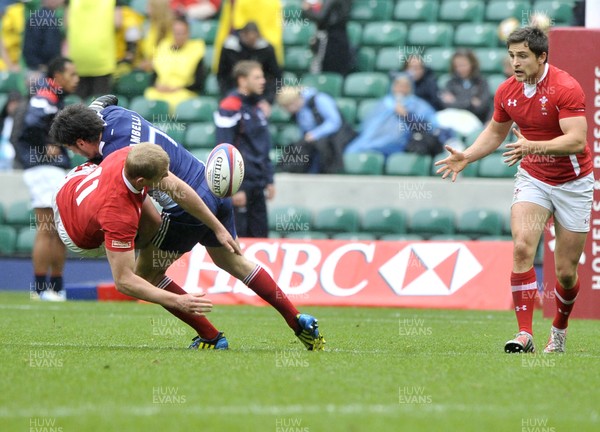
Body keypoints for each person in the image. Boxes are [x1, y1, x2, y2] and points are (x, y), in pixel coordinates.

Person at [49, 95, 325, 351]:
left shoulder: (119, 157)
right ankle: (296, 318)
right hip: (212, 186)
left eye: (74, 149)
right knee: (235, 263)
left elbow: (172, 188)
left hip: (188, 208)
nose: (78, 155)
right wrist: (216, 225)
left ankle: (211, 337)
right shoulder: (114, 114)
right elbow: (103, 104)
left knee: (146, 277)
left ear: (82, 143)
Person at [435, 27, 593, 354]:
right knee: (522, 247)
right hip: (534, 177)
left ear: (542, 56)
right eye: (511, 55)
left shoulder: (565, 87)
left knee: (565, 272)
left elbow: (577, 141)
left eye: (522, 56)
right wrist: (468, 155)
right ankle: (525, 335)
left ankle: (559, 330)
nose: (515, 62)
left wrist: (531, 145)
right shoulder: (508, 91)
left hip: (573, 183)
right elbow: (495, 132)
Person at [53, 143, 224, 333]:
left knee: (154, 224)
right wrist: (177, 300)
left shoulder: (130, 154)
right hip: (75, 234)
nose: (167, 179)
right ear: (141, 181)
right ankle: (149, 273)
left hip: (76, 183)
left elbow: (177, 188)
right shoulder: (118, 216)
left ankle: (148, 271)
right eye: (162, 176)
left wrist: (217, 226)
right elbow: (124, 282)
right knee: (140, 272)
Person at [13, 56, 79, 301]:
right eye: (72, 74)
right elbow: (31, 122)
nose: (77, 79)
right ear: (58, 76)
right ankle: (40, 288)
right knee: (48, 227)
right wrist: (48, 143)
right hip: (42, 167)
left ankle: (55, 287)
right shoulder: (46, 94)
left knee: (59, 229)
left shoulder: (56, 97)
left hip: (52, 167)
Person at [215, 60, 274, 238]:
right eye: (257, 77)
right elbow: (225, 148)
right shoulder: (229, 106)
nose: (262, 81)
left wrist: (270, 179)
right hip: (241, 183)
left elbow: (263, 147)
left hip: (258, 183)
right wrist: (235, 188)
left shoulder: (257, 106)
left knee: (261, 237)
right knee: (241, 238)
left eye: (262, 76)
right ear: (242, 80)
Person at [344, 73, 441, 157]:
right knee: (352, 150)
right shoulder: (384, 103)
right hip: (370, 139)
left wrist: (406, 115)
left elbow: (430, 127)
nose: (401, 89)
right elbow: (369, 125)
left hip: (397, 142)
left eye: (405, 86)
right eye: (398, 85)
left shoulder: (418, 105)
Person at [277, 85, 356, 173]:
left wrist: (315, 134)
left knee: (322, 147)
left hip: (335, 137)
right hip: (315, 140)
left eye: (287, 107)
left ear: (293, 102)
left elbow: (334, 122)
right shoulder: (299, 112)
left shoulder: (320, 100)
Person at [144, 16, 206, 113]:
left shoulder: (197, 50)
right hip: (160, 91)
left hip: (183, 92)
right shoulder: (163, 47)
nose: (179, 36)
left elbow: (199, 82)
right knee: (148, 98)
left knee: (177, 104)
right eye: (176, 33)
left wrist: (179, 88)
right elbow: (154, 75)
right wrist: (157, 86)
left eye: (182, 33)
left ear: (188, 33)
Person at [66, 0, 125, 99]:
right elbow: (118, 23)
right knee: (100, 105)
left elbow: (66, 22)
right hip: (101, 60)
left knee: (78, 106)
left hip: (77, 60)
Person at [217, 21, 282, 105]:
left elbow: (276, 76)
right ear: (242, 35)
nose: (251, 42)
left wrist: (267, 100)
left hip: (261, 95)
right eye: (249, 39)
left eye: (254, 39)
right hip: (233, 91)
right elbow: (222, 75)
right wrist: (228, 96)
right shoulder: (229, 48)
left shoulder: (267, 49)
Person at [302, 0, 354, 76]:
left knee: (330, 73)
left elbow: (320, 16)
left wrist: (307, 9)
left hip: (332, 41)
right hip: (338, 38)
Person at [440, 49, 492, 123]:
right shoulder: (450, 83)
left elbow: (481, 108)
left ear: (472, 64)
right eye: (457, 66)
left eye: (463, 65)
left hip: (474, 120)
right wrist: (470, 102)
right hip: (453, 117)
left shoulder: (481, 83)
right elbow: (445, 104)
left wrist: (455, 101)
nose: (460, 69)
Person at [22, 0, 65, 86]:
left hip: (32, 70)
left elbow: (27, 49)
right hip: (43, 73)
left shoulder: (33, 17)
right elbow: (51, 49)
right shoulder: (50, 19)